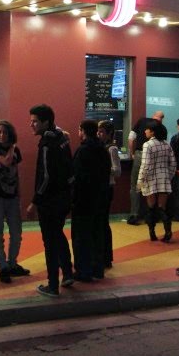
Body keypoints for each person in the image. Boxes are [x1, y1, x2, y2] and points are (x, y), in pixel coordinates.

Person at [28, 104, 75, 298]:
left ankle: (53, 285)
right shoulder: (61, 138)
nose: (31, 125)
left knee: (50, 242)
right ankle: (68, 273)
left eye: (35, 121)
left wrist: (35, 201)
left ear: (45, 122)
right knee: (58, 235)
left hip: (50, 202)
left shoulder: (47, 144)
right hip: (64, 198)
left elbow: (46, 176)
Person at [0, 120, 27, 283]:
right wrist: (12, 147)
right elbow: (6, 161)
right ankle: (2, 266)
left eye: (4, 132)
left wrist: (19, 194)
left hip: (12, 197)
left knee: (16, 233)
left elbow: (15, 172)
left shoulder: (16, 150)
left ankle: (12, 263)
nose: (1, 135)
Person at [71, 119, 110, 282]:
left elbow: (77, 176)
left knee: (81, 237)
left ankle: (83, 271)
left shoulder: (82, 150)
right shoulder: (103, 150)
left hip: (83, 200)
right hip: (100, 198)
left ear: (83, 131)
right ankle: (97, 268)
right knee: (97, 234)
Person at [137, 118, 177, 242]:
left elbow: (145, 165)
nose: (145, 131)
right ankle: (168, 231)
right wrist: (168, 176)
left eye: (147, 129)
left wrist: (140, 181)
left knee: (151, 207)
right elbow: (173, 163)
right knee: (162, 207)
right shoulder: (166, 144)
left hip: (150, 179)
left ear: (153, 132)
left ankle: (152, 233)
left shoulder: (147, 145)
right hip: (164, 179)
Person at [97, 120, 121, 272]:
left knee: (103, 222)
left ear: (109, 133)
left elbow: (117, 171)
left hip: (107, 187)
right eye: (98, 131)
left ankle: (106, 257)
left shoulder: (111, 149)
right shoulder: (102, 147)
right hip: (102, 186)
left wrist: (103, 167)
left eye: (101, 132)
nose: (99, 134)